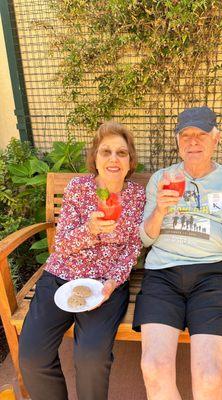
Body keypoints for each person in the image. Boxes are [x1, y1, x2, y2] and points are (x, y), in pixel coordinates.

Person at [133, 106, 222, 400]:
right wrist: (159, 210)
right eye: (186, 135)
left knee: (209, 375)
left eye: (201, 135)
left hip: (213, 274)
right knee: (153, 366)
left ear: (215, 139)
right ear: (178, 142)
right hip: (163, 274)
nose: (193, 141)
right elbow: (145, 238)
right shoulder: (162, 178)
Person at [19, 121, 146, 400]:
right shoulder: (79, 187)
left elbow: (132, 247)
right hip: (61, 276)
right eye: (106, 152)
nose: (113, 159)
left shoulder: (137, 196)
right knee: (32, 356)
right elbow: (62, 245)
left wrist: (114, 280)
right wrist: (88, 230)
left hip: (105, 285)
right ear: (95, 158)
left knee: (91, 358)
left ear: (130, 160)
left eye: (121, 153)